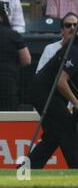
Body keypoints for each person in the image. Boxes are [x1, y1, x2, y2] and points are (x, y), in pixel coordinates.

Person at [28, 24, 78, 169]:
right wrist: (76, 103)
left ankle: (29, 169)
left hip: (45, 91)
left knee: (52, 136)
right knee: (66, 127)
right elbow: (61, 82)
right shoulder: (75, 51)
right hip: (44, 92)